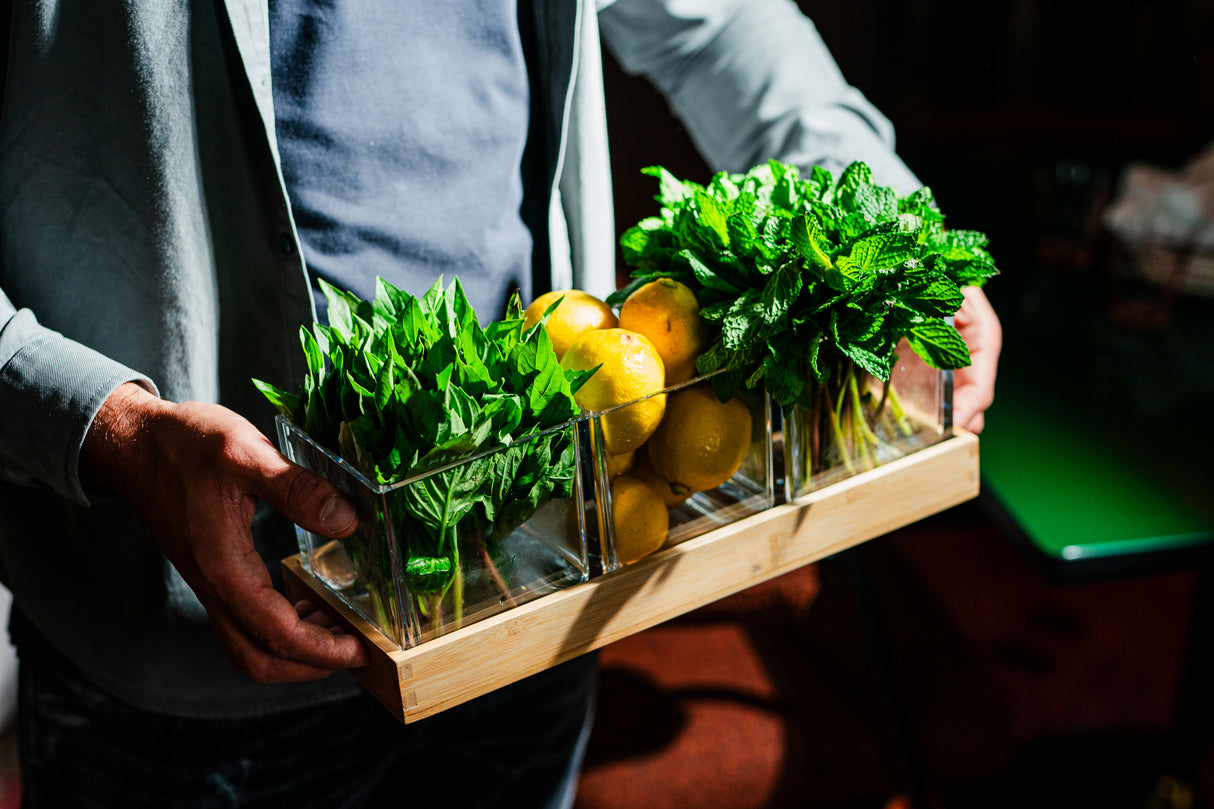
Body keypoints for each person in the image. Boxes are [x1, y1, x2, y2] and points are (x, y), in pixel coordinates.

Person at [0, 0, 1001, 806]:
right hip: (184, 648)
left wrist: (890, 223)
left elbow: (720, 22)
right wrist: (109, 428)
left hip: (534, 569)